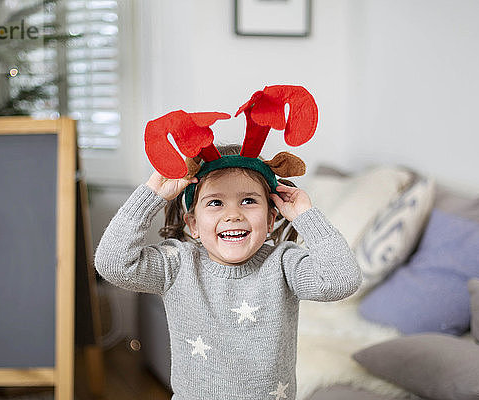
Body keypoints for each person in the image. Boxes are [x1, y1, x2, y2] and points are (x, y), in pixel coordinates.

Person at [95, 141, 362, 399]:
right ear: (194, 224)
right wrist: (151, 196)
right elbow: (112, 264)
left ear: (270, 219)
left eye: (248, 201)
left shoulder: (283, 264)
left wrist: (306, 215)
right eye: (215, 203)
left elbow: (342, 280)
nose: (233, 214)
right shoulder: (177, 264)